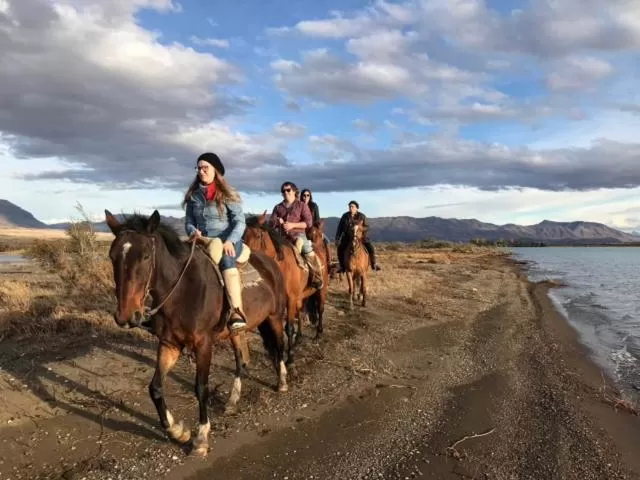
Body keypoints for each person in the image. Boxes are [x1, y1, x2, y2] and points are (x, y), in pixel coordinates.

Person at [183, 152, 248, 331]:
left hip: (228, 240)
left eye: (205, 168)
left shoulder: (227, 193)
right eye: (199, 168)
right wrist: (192, 231)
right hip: (203, 240)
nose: (201, 171)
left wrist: (230, 241)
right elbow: (188, 221)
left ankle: (236, 310)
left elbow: (239, 222)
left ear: (215, 171)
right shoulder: (193, 196)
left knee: (227, 260)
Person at [269, 182, 324, 289]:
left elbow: (308, 222)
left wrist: (292, 225)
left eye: (288, 190)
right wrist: (277, 221)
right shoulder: (277, 207)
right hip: (281, 237)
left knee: (307, 251)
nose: (286, 192)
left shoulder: (302, 205)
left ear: (294, 191)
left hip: (298, 234)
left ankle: (317, 277)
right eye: (283, 191)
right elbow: (271, 222)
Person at [334, 200, 381, 272]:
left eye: (352, 206)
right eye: (349, 206)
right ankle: (342, 266)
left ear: (357, 208)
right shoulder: (345, 216)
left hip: (361, 238)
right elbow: (340, 228)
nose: (350, 208)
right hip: (347, 238)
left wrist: (359, 228)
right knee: (340, 248)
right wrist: (337, 238)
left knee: (370, 248)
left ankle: (373, 264)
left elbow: (367, 227)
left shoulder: (362, 216)